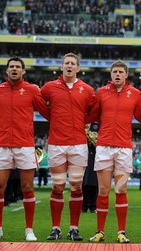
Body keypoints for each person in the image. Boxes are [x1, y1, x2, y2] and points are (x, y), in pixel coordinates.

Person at [0, 56, 49, 241]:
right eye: (11, 66)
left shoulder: (32, 90)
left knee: (27, 187)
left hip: (25, 145)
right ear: (6, 71)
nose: (14, 69)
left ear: (23, 71)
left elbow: (47, 112)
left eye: (17, 67)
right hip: (2, 145)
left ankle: (29, 229)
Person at [88, 60, 141, 243]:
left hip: (123, 148)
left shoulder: (135, 94)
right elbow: (92, 115)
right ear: (111, 75)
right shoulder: (102, 92)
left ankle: (121, 232)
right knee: (103, 190)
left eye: (121, 72)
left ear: (126, 74)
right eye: (115, 72)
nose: (117, 75)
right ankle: (100, 232)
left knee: (121, 190)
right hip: (104, 147)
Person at [41, 53, 95, 241]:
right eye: (66, 63)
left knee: (76, 187)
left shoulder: (87, 90)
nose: (69, 66)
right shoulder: (49, 88)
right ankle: (55, 228)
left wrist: (82, 121)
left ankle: (74, 228)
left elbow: (94, 111)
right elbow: (39, 104)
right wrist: (53, 119)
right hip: (56, 144)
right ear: (61, 67)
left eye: (73, 63)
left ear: (78, 68)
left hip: (79, 145)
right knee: (57, 186)